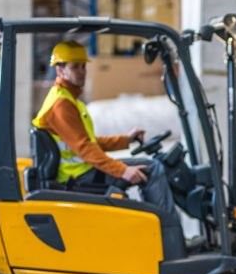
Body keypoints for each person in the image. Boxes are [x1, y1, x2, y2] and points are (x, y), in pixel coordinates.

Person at [32, 40, 179, 222]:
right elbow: (86, 149)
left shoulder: (69, 99)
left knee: (147, 167)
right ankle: (168, 231)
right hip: (78, 177)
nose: (82, 72)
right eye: (75, 67)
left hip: (82, 171)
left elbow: (90, 142)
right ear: (60, 70)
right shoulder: (62, 105)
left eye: (83, 66)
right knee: (152, 169)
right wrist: (123, 171)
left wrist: (126, 140)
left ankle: (159, 227)